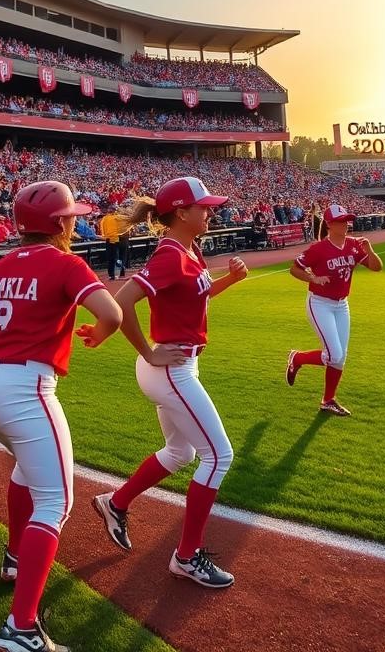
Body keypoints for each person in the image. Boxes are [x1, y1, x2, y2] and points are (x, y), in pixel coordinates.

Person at [0, 181, 123, 652]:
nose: (72, 222)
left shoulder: (3, 263)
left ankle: (14, 558)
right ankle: (21, 630)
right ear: (60, 222)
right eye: (69, 216)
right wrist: (100, 333)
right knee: (57, 503)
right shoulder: (66, 262)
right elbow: (113, 314)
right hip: (26, 387)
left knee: (28, 469)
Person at [92, 176, 247, 590]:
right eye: (204, 206)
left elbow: (193, 297)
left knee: (180, 452)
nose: (210, 211)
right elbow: (120, 303)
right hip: (170, 367)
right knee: (219, 456)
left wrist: (228, 281)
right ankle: (186, 556)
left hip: (178, 367)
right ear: (181, 212)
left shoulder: (187, 250)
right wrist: (146, 351)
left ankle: (115, 502)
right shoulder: (170, 254)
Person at [286, 204, 383, 416]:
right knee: (334, 354)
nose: (346, 224)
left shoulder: (354, 245)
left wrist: (369, 251)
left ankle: (328, 400)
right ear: (329, 225)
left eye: (347, 220)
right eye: (341, 221)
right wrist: (313, 277)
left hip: (342, 305)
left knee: (340, 357)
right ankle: (298, 358)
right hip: (320, 303)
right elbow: (294, 268)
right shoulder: (318, 249)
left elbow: (377, 267)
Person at [98, 204, 130, 281]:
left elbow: (103, 231)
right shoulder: (122, 217)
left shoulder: (105, 219)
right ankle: (121, 273)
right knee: (122, 257)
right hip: (122, 239)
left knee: (112, 258)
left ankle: (112, 274)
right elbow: (127, 228)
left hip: (111, 240)